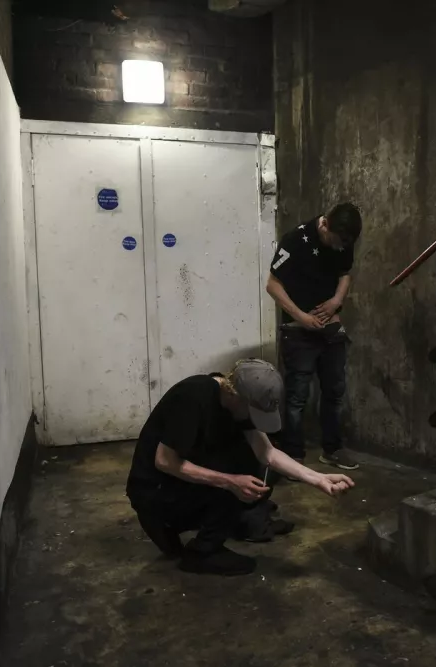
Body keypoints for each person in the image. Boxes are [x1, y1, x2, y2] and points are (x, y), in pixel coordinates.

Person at [126, 359, 355, 576]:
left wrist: (318, 479)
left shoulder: (236, 404)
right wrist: (230, 482)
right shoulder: (192, 397)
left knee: (257, 464)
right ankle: (202, 552)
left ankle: (237, 522)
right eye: (254, 412)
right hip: (154, 495)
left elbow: (267, 453)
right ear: (233, 393)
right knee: (238, 469)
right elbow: (164, 461)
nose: (254, 420)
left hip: (178, 487)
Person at [266, 202, 363, 471]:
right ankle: (293, 455)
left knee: (334, 392)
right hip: (299, 331)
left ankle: (332, 450)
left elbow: (345, 275)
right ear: (325, 226)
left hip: (330, 329)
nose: (341, 247)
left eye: (346, 243)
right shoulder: (295, 240)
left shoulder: (343, 240)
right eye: (337, 241)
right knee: (297, 396)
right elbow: (272, 285)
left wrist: (336, 302)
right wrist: (301, 317)